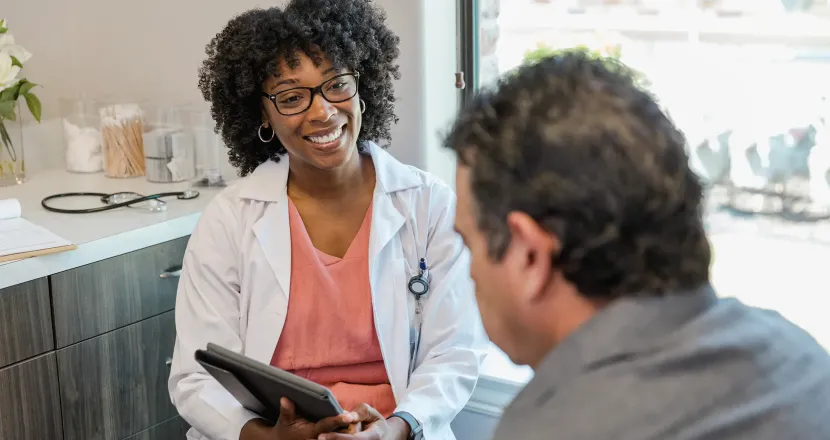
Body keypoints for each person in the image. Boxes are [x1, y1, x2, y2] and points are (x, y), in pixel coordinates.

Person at [444, 50, 830, 440]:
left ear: (530, 255)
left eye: (469, 244)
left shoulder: (557, 427)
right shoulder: (802, 360)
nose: (470, 271)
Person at [168, 1, 487, 439]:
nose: (322, 112)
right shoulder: (230, 220)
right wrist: (266, 438)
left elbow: (455, 353)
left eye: (336, 84)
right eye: (292, 97)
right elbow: (195, 376)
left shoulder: (427, 205)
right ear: (262, 112)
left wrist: (395, 429)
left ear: (361, 86)